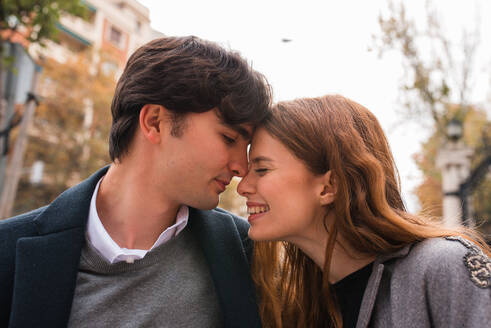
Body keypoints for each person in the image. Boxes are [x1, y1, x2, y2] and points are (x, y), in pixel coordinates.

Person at [0, 36, 271, 328]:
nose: (241, 167)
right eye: (229, 138)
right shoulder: (8, 251)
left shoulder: (243, 248)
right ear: (155, 121)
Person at [237, 94, 491, 328]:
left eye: (261, 170)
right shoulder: (301, 309)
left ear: (329, 186)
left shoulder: (444, 265)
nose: (243, 187)